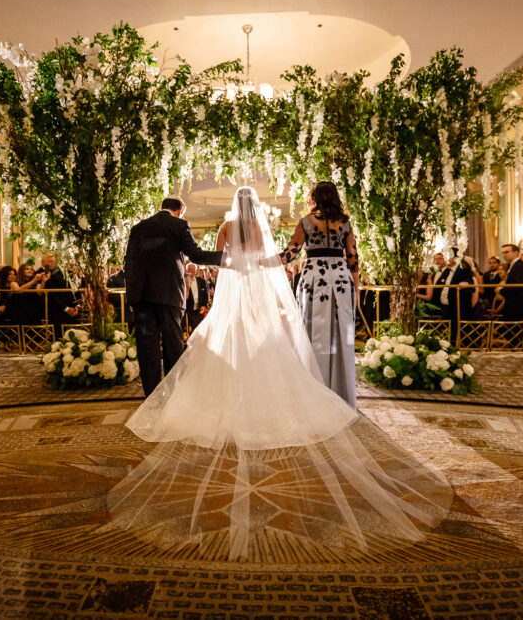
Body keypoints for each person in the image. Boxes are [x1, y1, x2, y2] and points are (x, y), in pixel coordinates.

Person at [107, 187, 452, 560]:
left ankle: (170, 395)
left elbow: (216, 260)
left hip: (228, 288)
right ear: (254, 205)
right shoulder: (260, 227)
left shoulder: (224, 225)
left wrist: (230, 266)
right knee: (262, 340)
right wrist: (258, 266)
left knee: (208, 341)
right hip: (261, 286)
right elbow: (279, 257)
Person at [124, 197, 222, 396]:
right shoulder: (179, 224)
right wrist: (227, 257)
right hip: (169, 294)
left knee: (147, 347)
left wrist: (132, 297)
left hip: (142, 296)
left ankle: (151, 396)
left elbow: (129, 262)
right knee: (172, 344)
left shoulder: (138, 228)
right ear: (180, 210)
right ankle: (174, 393)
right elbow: (196, 255)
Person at [280, 181, 360, 408]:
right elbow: (353, 258)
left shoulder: (306, 222)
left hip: (314, 280)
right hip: (342, 280)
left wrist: (263, 261)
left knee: (313, 332)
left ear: (314, 197)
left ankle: (313, 393)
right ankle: (341, 396)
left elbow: (289, 255)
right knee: (341, 336)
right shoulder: (344, 222)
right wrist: (356, 289)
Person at [39, 253, 81, 332]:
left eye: (53, 262)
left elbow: (76, 291)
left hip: (73, 309)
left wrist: (77, 306)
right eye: (50, 261)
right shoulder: (49, 273)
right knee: (59, 337)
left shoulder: (69, 273)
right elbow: (52, 294)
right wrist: (66, 308)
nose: (52, 263)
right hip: (59, 310)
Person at [498, 243, 523, 322]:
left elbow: (519, 285)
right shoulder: (513, 265)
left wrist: (502, 291)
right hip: (516, 305)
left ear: (516, 253)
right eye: (502, 253)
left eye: (506, 252)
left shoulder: (520, 266)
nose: (504, 255)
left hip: (521, 306)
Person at [183, 263, 209, 333]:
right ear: (186, 270)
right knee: (188, 331)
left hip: (199, 310)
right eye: (189, 269)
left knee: (198, 330)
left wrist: (204, 305)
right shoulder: (183, 281)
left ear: (196, 271)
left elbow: (205, 295)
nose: (191, 271)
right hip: (187, 311)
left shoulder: (202, 281)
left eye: (193, 269)